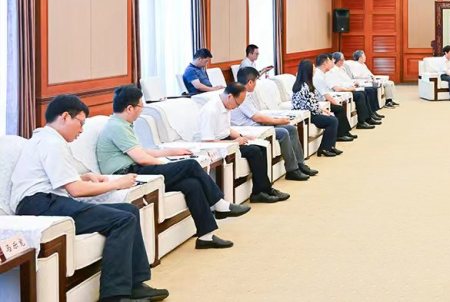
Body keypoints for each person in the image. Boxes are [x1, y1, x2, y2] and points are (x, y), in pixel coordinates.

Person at [12, 95, 169, 302]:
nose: (81, 130)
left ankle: (135, 284)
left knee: (129, 210)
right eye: (80, 123)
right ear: (65, 117)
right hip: (41, 204)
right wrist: (116, 183)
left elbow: (61, 180)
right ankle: (114, 295)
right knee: (123, 220)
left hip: (48, 200)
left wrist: (84, 177)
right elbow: (76, 191)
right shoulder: (51, 142)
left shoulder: (47, 139)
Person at [96, 85, 249, 250]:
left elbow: (141, 151)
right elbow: (142, 159)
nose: (141, 111)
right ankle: (219, 204)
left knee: (192, 185)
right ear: (129, 108)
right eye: (141, 106)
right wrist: (169, 165)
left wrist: (171, 152)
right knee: (190, 165)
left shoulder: (123, 125)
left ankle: (206, 236)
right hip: (127, 174)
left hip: (135, 169)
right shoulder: (117, 127)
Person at [195, 83, 290, 204]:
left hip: (226, 140)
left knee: (262, 147)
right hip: (215, 146)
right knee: (254, 151)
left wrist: (241, 136)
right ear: (230, 96)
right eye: (238, 104)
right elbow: (207, 141)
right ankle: (260, 193)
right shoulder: (211, 110)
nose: (237, 107)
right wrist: (233, 142)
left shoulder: (226, 105)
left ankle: (264, 190)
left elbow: (226, 129)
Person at [234, 67, 317, 180]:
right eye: (255, 81)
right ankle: (292, 170)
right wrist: (278, 121)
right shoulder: (240, 96)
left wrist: (276, 118)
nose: (256, 84)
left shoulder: (247, 94)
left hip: (258, 125)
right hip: (251, 129)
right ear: (250, 82)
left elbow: (257, 114)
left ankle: (300, 164)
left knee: (291, 129)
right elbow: (257, 117)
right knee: (283, 132)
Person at [291, 59, 343, 157]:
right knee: (332, 121)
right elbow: (309, 106)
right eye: (313, 68)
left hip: (310, 112)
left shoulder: (305, 83)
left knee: (332, 118)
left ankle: (330, 146)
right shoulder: (304, 86)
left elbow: (313, 102)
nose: (315, 69)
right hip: (306, 115)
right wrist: (321, 111)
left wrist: (323, 110)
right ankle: (324, 148)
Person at [325, 52, 383, 126]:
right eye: (341, 60)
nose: (343, 61)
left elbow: (347, 80)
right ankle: (362, 121)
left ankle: (369, 116)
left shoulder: (342, 69)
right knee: (360, 95)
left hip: (350, 87)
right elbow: (338, 86)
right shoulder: (332, 72)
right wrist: (350, 88)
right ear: (336, 60)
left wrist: (353, 83)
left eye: (343, 60)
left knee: (364, 93)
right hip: (344, 91)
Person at [314, 53, 368, 133]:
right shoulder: (319, 76)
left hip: (329, 97)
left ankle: (346, 132)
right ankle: (343, 133)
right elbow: (327, 93)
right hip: (322, 101)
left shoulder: (323, 73)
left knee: (360, 94)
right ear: (325, 63)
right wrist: (336, 102)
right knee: (340, 108)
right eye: (330, 61)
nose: (332, 63)